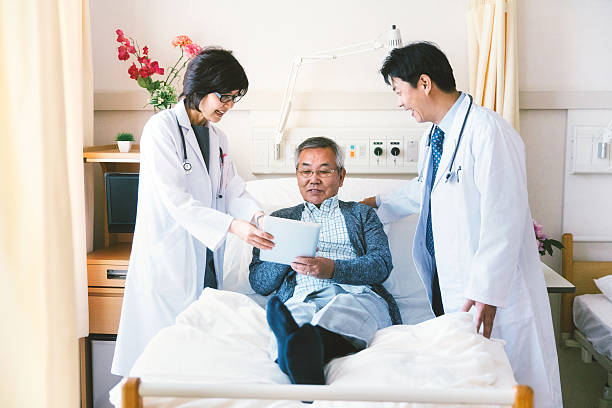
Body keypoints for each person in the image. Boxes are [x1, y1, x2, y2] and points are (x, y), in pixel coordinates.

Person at [361, 42, 562, 407]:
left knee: (514, 383)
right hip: (455, 285)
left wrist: (487, 289)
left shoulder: (488, 131)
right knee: (475, 383)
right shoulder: (435, 137)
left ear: (424, 83)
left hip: (493, 293)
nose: (399, 102)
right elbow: (426, 190)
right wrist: (373, 204)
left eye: (399, 91)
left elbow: (505, 216)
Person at [112, 48, 274, 376]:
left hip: (206, 259)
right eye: (223, 97)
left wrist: (256, 217)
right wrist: (234, 227)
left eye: (233, 98)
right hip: (169, 260)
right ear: (200, 87)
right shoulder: (161, 129)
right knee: (160, 365)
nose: (228, 106)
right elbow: (177, 201)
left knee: (197, 361)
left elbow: (232, 190)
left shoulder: (218, 138)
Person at [249, 137, 400, 385]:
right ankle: (299, 348)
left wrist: (332, 269)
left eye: (324, 171)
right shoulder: (280, 220)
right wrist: (287, 251)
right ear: (297, 176)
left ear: (341, 176)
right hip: (303, 295)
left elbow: (381, 264)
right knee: (295, 315)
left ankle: (304, 352)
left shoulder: (362, 215)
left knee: (345, 312)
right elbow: (259, 282)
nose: (313, 179)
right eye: (305, 171)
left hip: (356, 294)